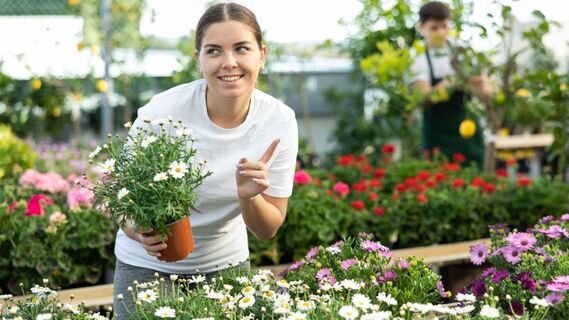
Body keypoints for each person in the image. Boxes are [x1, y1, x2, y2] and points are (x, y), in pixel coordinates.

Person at [112, 3, 298, 318]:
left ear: (261, 55)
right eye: (214, 51)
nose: (229, 63)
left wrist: (248, 199)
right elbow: (120, 199)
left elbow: (268, 229)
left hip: (224, 266)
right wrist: (136, 229)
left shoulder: (278, 121)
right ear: (198, 59)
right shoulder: (162, 112)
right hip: (146, 268)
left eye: (242, 48)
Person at [410, 1, 492, 168]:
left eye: (444, 26)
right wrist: (452, 81)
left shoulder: (462, 49)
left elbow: (486, 92)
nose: (441, 32)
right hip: (437, 137)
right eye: (434, 28)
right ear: (421, 27)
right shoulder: (417, 58)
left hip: (468, 133)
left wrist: (482, 86)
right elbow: (424, 99)